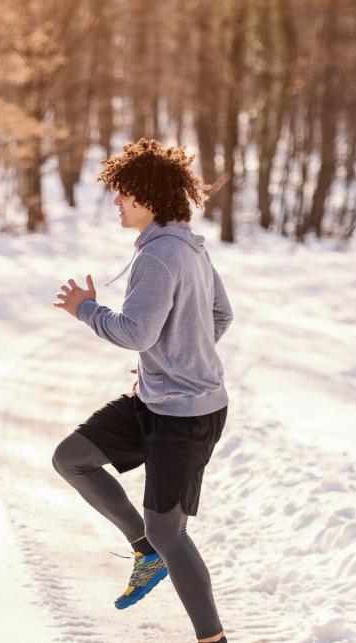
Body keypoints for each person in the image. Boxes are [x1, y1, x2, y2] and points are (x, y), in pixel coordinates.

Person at [51, 139, 232, 643]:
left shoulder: (161, 257)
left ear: (147, 198)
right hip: (157, 401)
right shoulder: (188, 246)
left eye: (123, 194)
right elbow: (221, 316)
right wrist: (176, 361)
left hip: (185, 417)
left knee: (170, 532)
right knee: (72, 458)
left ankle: (213, 639)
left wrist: (85, 308)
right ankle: (142, 547)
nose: (116, 203)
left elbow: (135, 333)